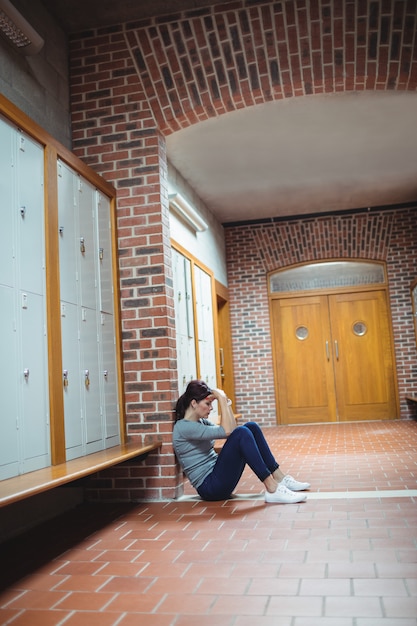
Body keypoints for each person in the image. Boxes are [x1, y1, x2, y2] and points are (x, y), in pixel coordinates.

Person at [173, 379, 310, 504]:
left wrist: (225, 402)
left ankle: (279, 477)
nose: (211, 408)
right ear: (193, 403)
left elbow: (230, 430)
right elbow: (228, 432)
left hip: (217, 477)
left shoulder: (201, 422)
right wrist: (220, 397)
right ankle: (272, 488)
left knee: (251, 427)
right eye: (208, 404)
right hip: (210, 487)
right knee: (242, 433)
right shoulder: (184, 427)